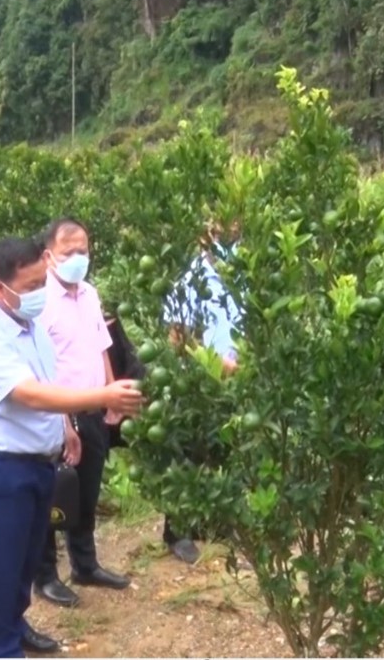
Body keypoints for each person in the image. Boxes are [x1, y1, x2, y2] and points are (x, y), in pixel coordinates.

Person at [0, 235, 145, 658]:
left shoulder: (31, 326)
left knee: (24, 561)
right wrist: (103, 396)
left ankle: (14, 625)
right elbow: (30, 394)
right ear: (0, 289)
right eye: (30, 287)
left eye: (42, 282)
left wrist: (66, 429)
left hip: (39, 462)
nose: (40, 293)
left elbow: (48, 380)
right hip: (0, 468)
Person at [33, 218, 131, 609]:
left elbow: (101, 345)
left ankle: (85, 565)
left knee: (87, 491)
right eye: (69, 251)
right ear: (48, 256)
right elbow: (39, 369)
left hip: (92, 409)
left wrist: (111, 394)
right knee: (53, 495)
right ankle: (45, 576)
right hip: (58, 414)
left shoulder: (89, 293)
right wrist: (63, 424)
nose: (78, 258)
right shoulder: (39, 302)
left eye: (83, 250)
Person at [156, 219, 244, 564]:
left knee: (229, 452)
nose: (227, 238)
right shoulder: (191, 279)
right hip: (197, 381)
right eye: (220, 232)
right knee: (188, 453)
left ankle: (220, 524)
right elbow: (177, 337)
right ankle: (177, 531)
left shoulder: (246, 271)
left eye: (233, 231)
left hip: (240, 380)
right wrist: (213, 363)